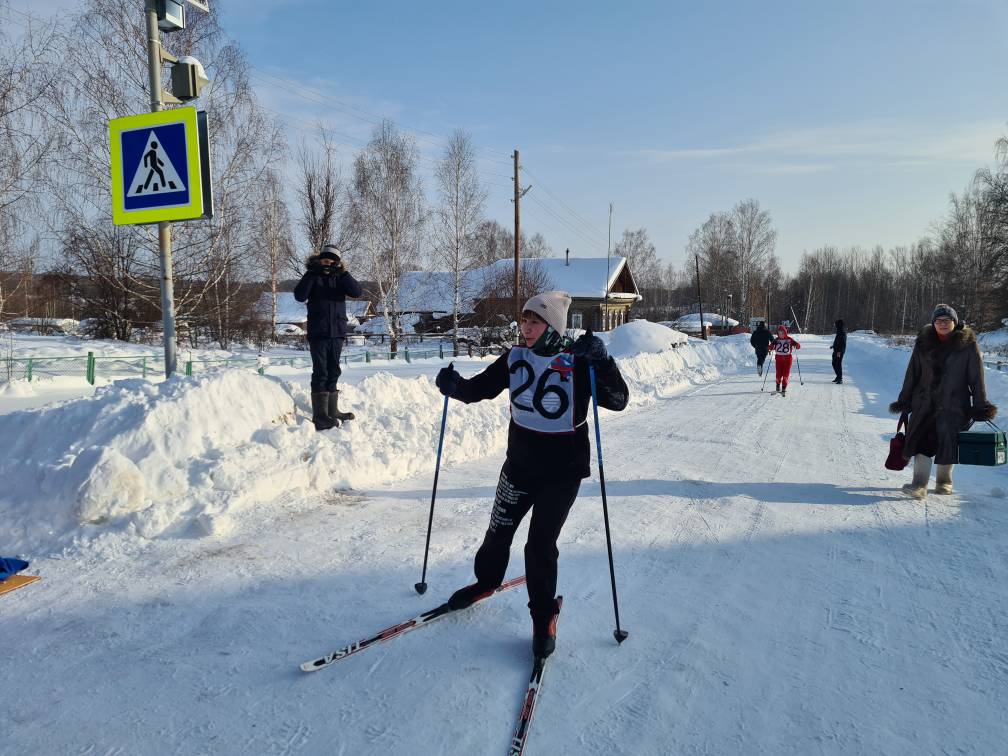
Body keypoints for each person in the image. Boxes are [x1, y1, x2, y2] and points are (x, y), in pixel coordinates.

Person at [434, 291, 629, 659]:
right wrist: (455, 386)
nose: (525, 327)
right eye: (524, 320)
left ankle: (543, 616)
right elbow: (480, 388)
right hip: (519, 465)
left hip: (563, 471)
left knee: (539, 546)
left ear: (552, 325)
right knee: (497, 534)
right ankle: (486, 582)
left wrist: (603, 363)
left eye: (534, 321)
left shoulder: (578, 359)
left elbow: (618, 400)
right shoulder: (515, 357)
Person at [889, 304, 997, 499]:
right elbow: (912, 374)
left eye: (947, 320)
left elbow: (976, 378)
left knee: (948, 442)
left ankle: (944, 482)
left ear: (955, 323)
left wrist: (980, 406)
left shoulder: (968, 345)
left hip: (954, 405)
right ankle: (919, 484)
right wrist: (904, 401)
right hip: (924, 403)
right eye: (939, 321)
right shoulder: (923, 343)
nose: (943, 324)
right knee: (921, 440)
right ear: (933, 323)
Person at [293, 244, 363, 431]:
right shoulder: (313, 277)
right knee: (321, 372)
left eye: (333, 261)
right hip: (319, 332)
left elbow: (357, 292)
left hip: (337, 333)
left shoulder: (340, 278)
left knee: (334, 371)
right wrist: (313, 273)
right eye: (326, 260)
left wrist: (342, 273)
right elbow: (299, 296)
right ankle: (320, 416)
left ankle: (332, 411)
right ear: (319, 260)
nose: (329, 263)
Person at [771, 325, 801, 396]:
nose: (781, 334)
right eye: (779, 333)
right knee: (778, 375)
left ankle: (784, 388)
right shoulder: (776, 340)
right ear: (778, 333)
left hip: (788, 360)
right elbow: (770, 347)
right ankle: (778, 385)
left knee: (785, 374)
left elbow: (798, 346)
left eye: (782, 333)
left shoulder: (789, 339)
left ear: (785, 332)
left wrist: (796, 345)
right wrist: (772, 345)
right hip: (778, 360)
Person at [830, 319, 847, 383]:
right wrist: (833, 346)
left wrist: (839, 351)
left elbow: (842, 343)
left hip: (839, 351)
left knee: (838, 364)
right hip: (836, 350)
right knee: (834, 363)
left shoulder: (842, 331)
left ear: (839, 324)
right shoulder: (839, 330)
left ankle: (840, 378)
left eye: (836, 324)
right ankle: (838, 376)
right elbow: (838, 341)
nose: (835, 326)